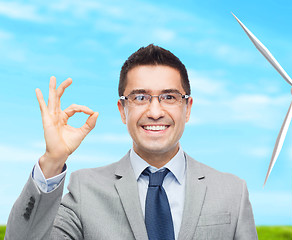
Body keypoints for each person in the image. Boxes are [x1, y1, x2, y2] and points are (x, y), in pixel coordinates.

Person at [5, 44, 258, 240]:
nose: (155, 111)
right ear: (122, 110)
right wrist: (53, 161)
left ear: (187, 108)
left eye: (169, 97)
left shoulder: (232, 192)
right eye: (140, 98)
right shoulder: (86, 190)